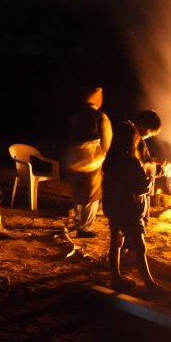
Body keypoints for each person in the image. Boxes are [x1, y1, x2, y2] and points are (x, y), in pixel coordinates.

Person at [102, 111, 164, 292]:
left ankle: (116, 279)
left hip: (112, 203)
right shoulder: (131, 158)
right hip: (128, 207)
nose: (147, 137)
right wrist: (153, 172)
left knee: (116, 242)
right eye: (149, 133)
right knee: (140, 246)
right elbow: (141, 185)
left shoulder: (115, 155)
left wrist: (153, 168)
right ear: (144, 128)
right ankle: (149, 284)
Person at [63, 85, 112, 238]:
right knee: (92, 195)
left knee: (78, 193)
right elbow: (107, 142)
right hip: (91, 160)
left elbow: (69, 138)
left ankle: (79, 223)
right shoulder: (100, 116)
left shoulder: (76, 116)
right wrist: (103, 155)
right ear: (98, 99)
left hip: (72, 158)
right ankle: (85, 228)